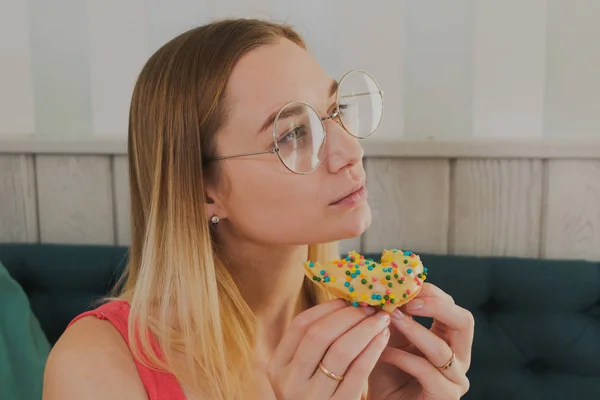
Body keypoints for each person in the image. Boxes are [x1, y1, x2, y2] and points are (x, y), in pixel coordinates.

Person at [42, 18, 474, 400]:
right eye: (291, 135)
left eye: (335, 111)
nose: (350, 151)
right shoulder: (95, 364)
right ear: (202, 191)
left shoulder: (373, 345)